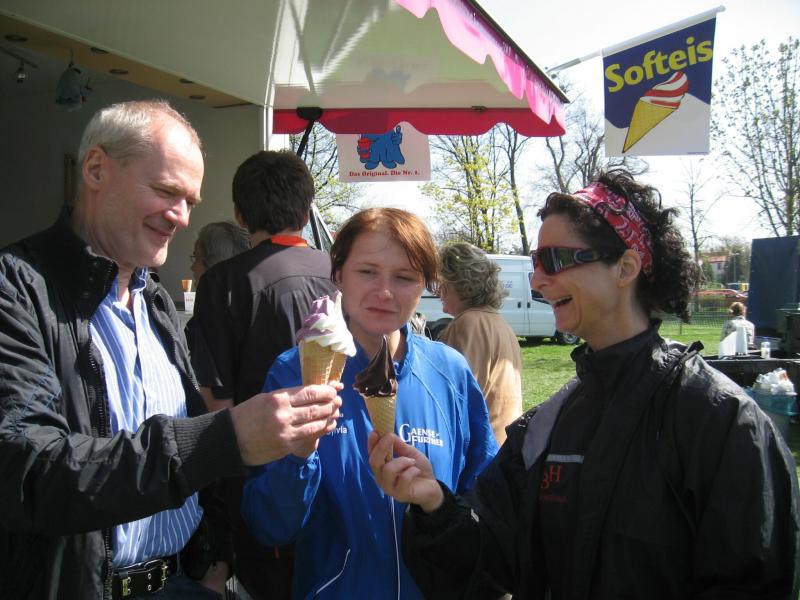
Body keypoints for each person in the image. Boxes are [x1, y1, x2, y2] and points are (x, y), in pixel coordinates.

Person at [368, 170, 800, 599]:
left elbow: (754, 581)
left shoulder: (719, 419)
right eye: (535, 263)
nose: (537, 280)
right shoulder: (546, 426)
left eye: (553, 260)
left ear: (625, 267)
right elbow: (492, 554)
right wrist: (435, 504)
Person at [0, 100, 342, 600]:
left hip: (185, 582)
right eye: (166, 191)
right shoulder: (17, 289)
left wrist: (215, 554)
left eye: (190, 201)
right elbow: (27, 468)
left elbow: (194, 424)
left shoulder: (155, 301)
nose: (181, 217)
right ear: (95, 170)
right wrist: (223, 438)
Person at [242, 207, 499, 599]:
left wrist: (435, 502)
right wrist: (298, 458)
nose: (385, 292)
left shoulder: (450, 372)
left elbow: (485, 504)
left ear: (425, 286)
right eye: (367, 272)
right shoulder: (294, 373)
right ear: (339, 274)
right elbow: (270, 527)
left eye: (404, 277)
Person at [190, 150, 336, 599]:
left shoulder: (223, 282)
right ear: (307, 212)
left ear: (239, 215)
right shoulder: (345, 272)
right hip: (345, 470)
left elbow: (217, 404)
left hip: (263, 483)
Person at [437, 242, 523, 445]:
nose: (439, 294)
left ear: (457, 284)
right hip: (504, 446)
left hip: (478, 450)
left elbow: (456, 397)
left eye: (442, 286)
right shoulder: (502, 325)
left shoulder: (468, 324)